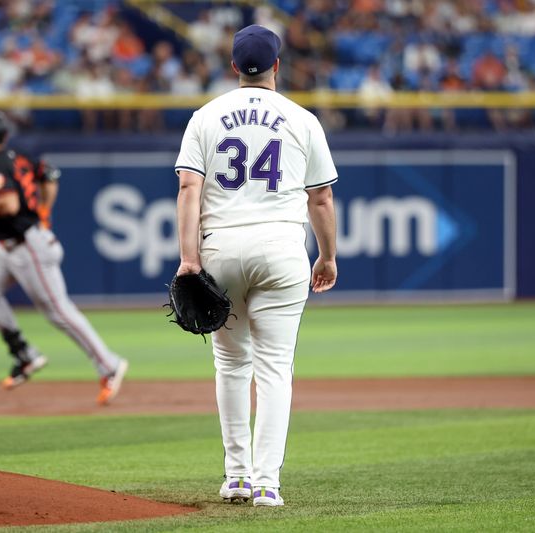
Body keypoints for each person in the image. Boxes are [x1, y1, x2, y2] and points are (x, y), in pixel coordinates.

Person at [173, 25, 338, 507]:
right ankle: (267, 483)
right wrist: (327, 256)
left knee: (230, 363)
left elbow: (189, 188)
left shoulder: (205, 116)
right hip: (281, 248)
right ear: (277, 67)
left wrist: (189, 259)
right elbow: (321, 197)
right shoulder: (301, 118)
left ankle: (238, 476)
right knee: (273, 368)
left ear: (233, 68)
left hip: (220, 247)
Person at [0, 108, 128, 405]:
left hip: (28, 246)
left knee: (58, 311)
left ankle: (109, 365)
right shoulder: (17, 156)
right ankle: (24, 354)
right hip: (11, 245)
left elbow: (9, 205)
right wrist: (45, 212)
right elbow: (50, 175)